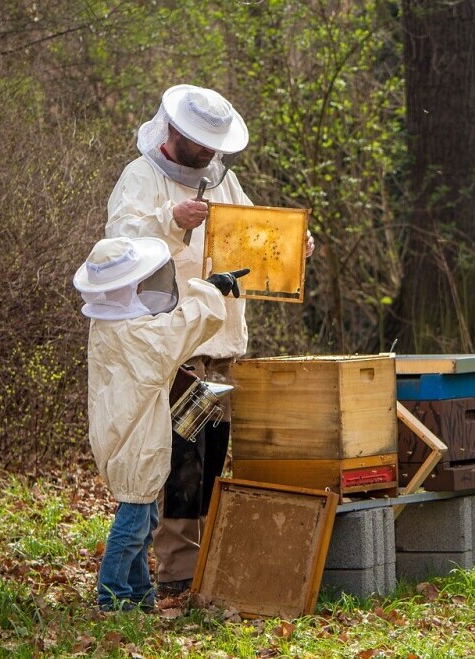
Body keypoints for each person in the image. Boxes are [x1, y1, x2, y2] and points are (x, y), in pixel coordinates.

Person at [105, 84, 314, 597]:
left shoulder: (224, 178)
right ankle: (177, 567)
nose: (209, 153)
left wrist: (293, 247)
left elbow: (251, 240)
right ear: (174, 131)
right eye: (201, 143)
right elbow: (116, 248)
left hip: (223, 342)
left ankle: (207, 564)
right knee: (182, 457)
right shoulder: (141, 177)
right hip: (173, 342)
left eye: (214, 144)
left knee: (215, 454)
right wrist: (169, 221)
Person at [73, 235, 248, 611]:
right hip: (134, 439)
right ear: (126, 287)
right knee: (135, 520)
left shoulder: (109, 327)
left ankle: (139, 593)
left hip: (123, 431)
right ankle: (113, 596)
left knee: (143, 512)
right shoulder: (138, 336)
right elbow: (180, 330)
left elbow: (163, 326)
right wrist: (209, 289)